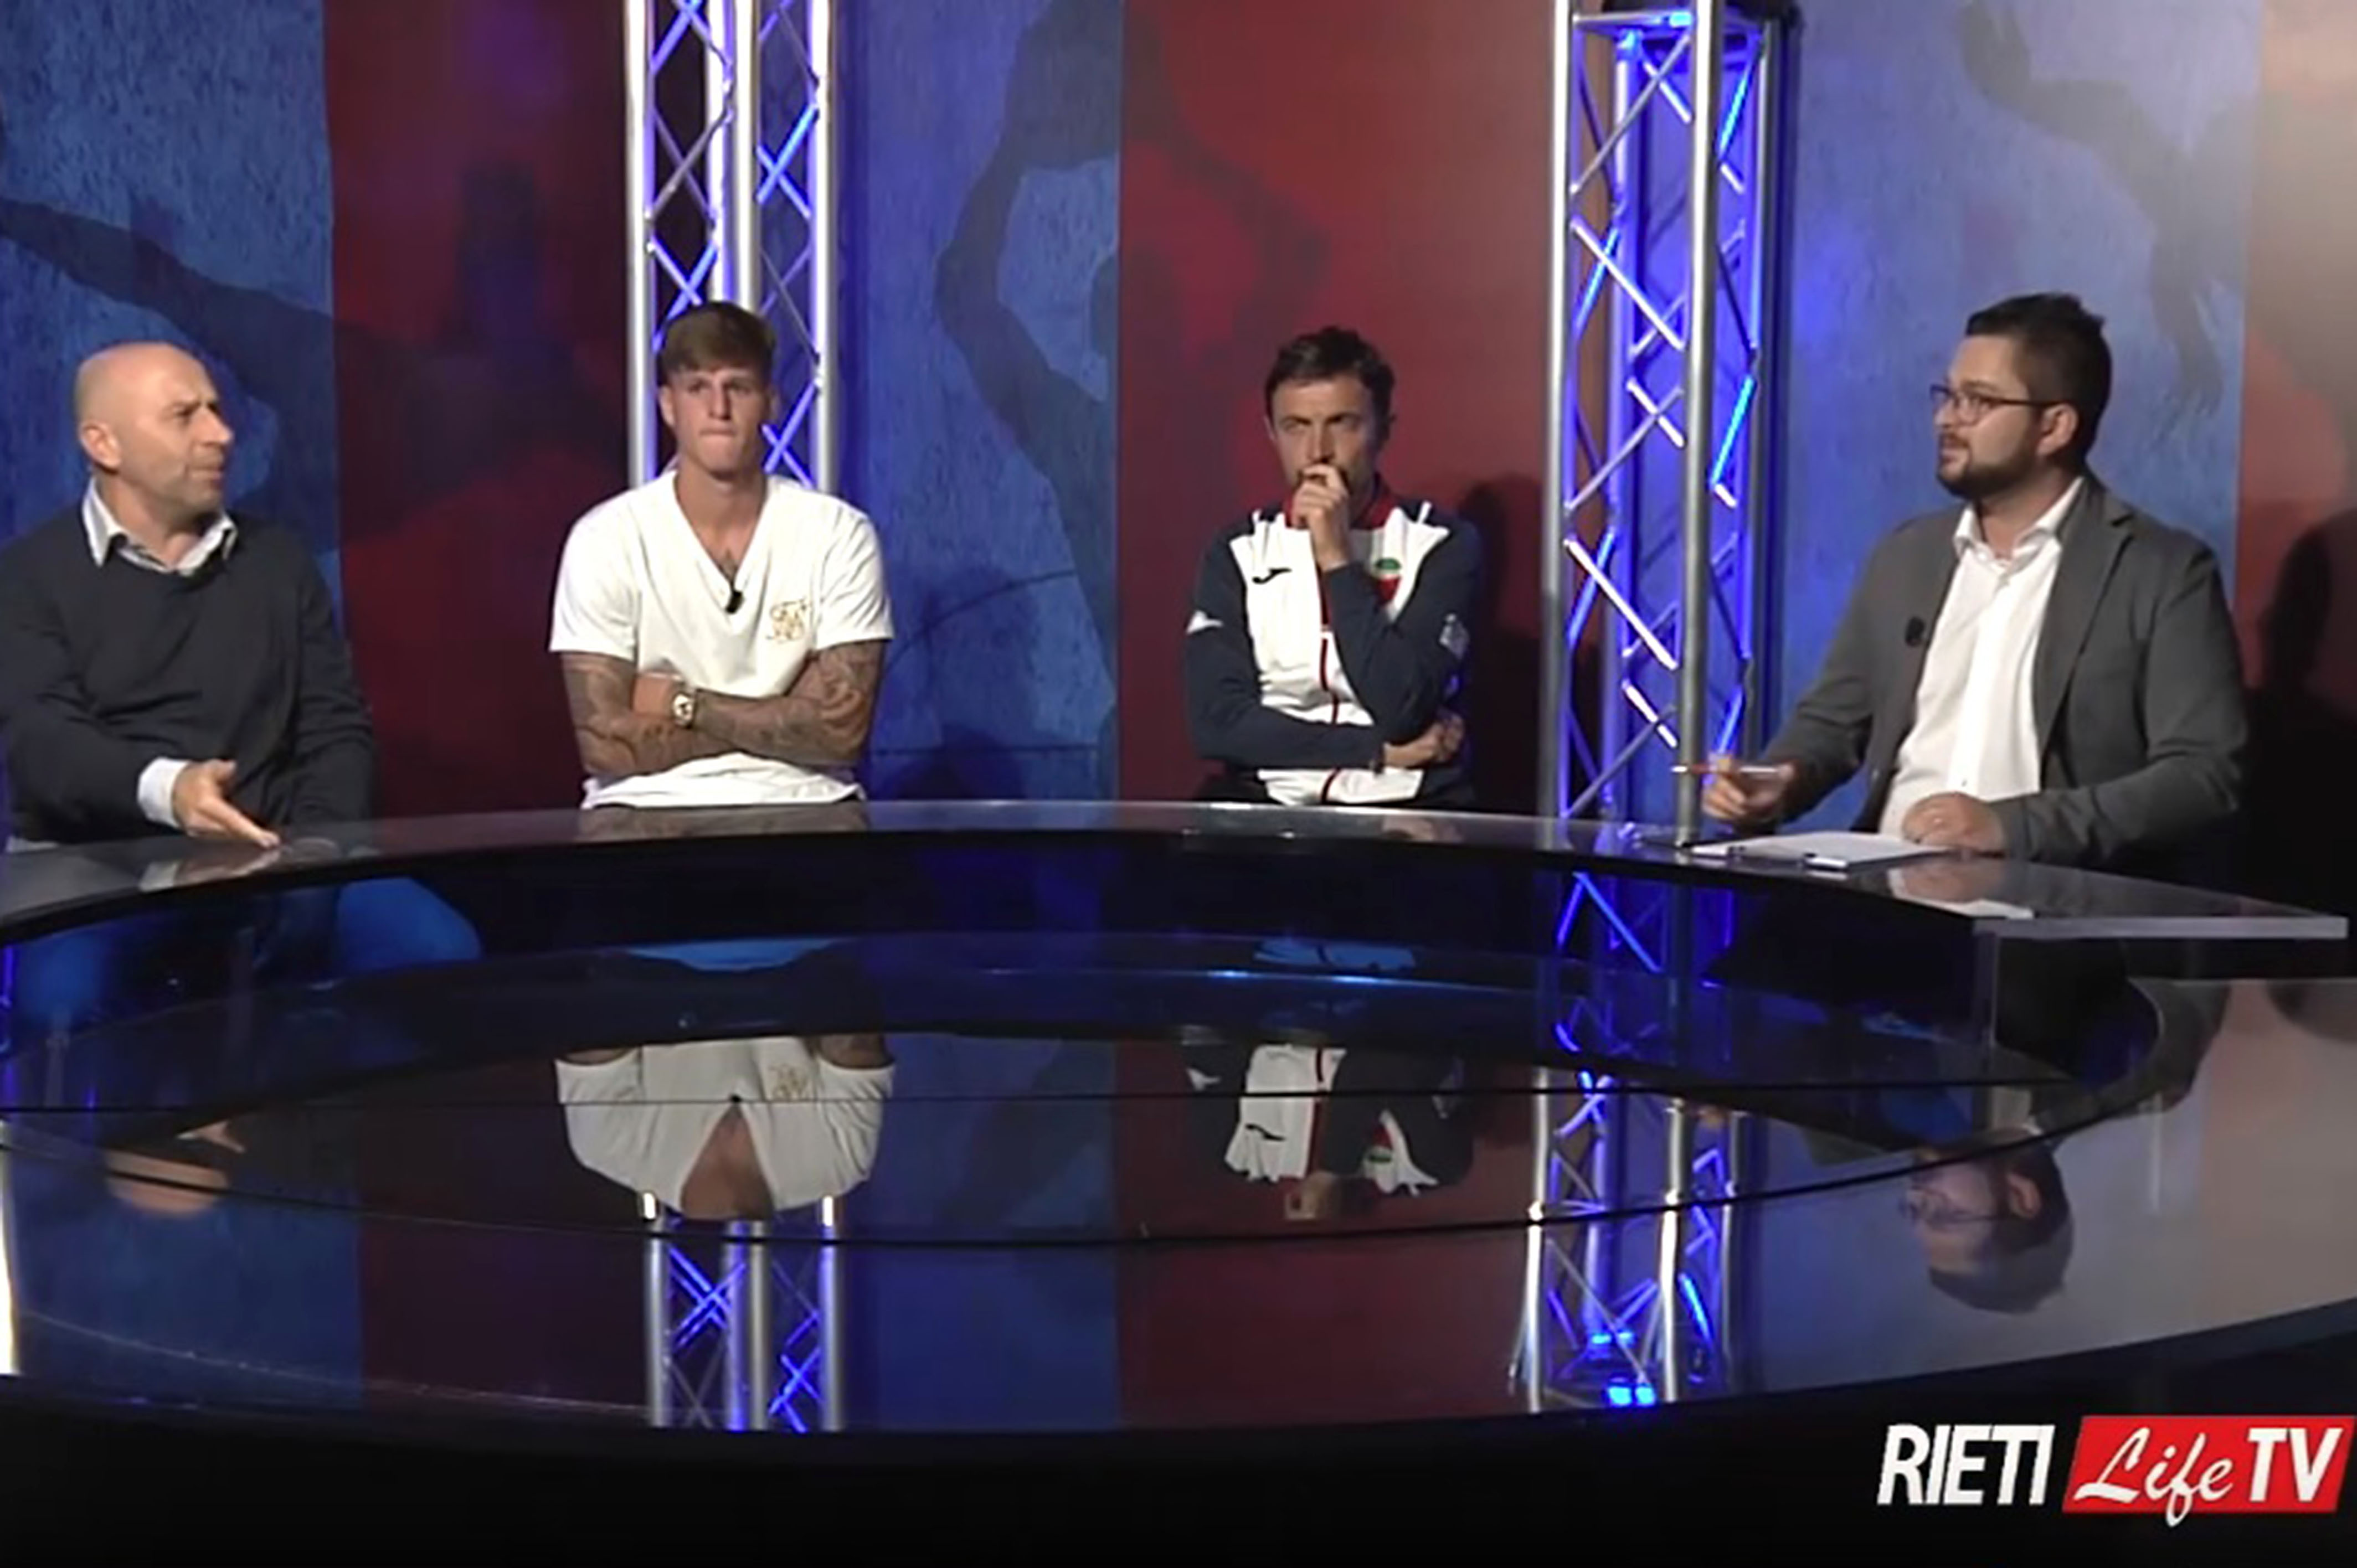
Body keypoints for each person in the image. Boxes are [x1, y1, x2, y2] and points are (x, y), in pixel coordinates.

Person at [0, 342, 477, 1048]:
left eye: (217, 410)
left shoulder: (277, 563)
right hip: (95, 868)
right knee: (61, 1003)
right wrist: (173, 791)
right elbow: (45, 746)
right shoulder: (28, 577)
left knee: (439, 951)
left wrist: (316, 855)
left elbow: (335, 729)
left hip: (271, 856)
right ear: (104, 444)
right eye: (184, 416)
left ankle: (332, 1114)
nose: (221, 434)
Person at [1702, 293, 2245, 876]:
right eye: (1948, 395)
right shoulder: (1906, 557)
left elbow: (2203, 776)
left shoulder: (2159, 571)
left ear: (2054, 427)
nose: (1945, 419)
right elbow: (1832, 725)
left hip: (2049, 899)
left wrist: (2013, 827)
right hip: (1881, 890)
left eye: (1977, 401)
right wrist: (1780, 780)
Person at [548, 303, 893, 810]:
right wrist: (783, 716)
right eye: (698, 388)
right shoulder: (605, 540)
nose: (719, 408)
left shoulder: (839, 535)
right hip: (644, 810)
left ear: (770, 403)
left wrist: (681, 704)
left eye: (738, 387)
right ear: (668, 406)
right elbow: (604, 746)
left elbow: (841, 734)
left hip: (808, 807)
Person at [1183, 326, 1483, 808]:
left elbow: (1403, 707)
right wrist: (1374, 749)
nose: (1317, 451)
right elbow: (1217, 724)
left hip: (1405, 804)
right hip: (1268, 801)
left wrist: (1337, 558)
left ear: (1384, 430)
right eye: (1296, 426)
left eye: (1342, 423)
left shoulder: (1443, 544)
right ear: (1271, 433)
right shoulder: (1237, 551)